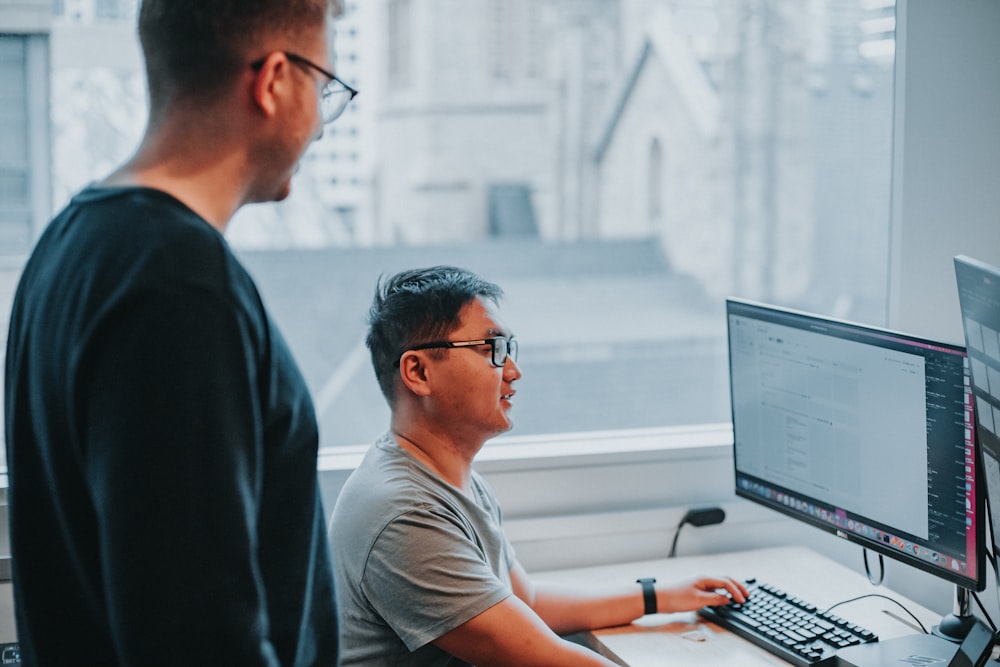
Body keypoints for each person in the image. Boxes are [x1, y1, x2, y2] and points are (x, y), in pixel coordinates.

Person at [3, 1, 356, 664]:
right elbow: (198, 638)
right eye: (325, 87)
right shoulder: (180, 286)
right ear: (275, 81)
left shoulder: (70, 243)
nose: (323, 126)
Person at [330, 266, 748, 666]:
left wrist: (658, 597)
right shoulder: (406, 515)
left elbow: (524, 601)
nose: (514, 371)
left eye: (509, 350)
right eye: (492, 349)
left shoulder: (446, 477)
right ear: (418, 372)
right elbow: (546, 659)